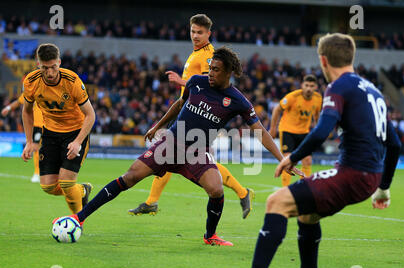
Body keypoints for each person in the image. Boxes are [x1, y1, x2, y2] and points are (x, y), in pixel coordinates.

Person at [212, 33, 401, 268]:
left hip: (352, 174)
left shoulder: (338, 87)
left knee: (276, 202)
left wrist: (292, 157)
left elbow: (322, 129)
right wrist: (384, 187)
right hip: (370, 176)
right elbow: (394, 144)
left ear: (323, 60)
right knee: (307, 213)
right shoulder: (373, 91)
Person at [60, 46, 302, 246]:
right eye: (210, 68)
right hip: (171, 143)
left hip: (197, 152)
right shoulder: (196, 82)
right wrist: (158, 126)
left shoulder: (238, 100)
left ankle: (210, 236)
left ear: (228, 72)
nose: (210, 73)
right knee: (129, 177)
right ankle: (79, 218)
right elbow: (179, 104)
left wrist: (283, 158)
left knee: (216, 190)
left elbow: (260, 131)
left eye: (216, 70)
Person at [129, 14, 255, 219]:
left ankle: (242, 191)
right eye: (193, 31)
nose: (195, 36)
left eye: (200, 33)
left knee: (200, 163)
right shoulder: (195, 53)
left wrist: (180, 81)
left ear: (208, 34)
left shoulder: (208, 55)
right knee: (167, 158)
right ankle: (152, 202)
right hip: (184, 110)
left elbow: (209, 85)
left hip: (197, 116)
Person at [21, 43, 95, 215]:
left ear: (59, 62)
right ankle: (82, 191)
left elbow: (91, 115)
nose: (50, 73)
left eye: (53, 67)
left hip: (75, 132)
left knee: (67, 183)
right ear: (38, 64)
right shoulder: (31, 82)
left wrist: (78, 142)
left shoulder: (72, 81)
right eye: (45, 68)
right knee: (48, 186)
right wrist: (29, 141)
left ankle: (77, 220)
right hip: (51, 133)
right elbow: (26, 111)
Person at [269, 74, 322, 185]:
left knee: (307, 160)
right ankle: (285, 190)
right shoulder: (292, 97)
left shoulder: (318, 99)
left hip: (304, 132)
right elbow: (276, 109)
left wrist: (318, 129)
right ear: (302, 85)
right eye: (306, 85)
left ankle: (304, 189)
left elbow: (317, 115)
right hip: (288, 131)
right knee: (288, 161)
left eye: (312, 86)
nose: (309, 88)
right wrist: (273, 128)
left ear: (316, 87)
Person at [2, 93, 43, 183]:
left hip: (50, 125)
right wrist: (8, 108)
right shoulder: (31, 91)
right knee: (36, 148)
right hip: (37, 126)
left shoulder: (48, 90)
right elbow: (18, 102)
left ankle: (44, 172)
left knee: (46, 149)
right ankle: (37, 173)